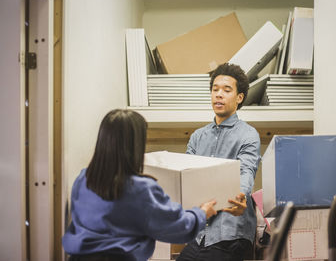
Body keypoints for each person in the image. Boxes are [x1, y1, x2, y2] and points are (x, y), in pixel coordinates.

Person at [62, 109, 217, 261]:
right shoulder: (140, 189)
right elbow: (177, 227)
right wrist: (201, 213)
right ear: (135, 144)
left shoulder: (83, 179)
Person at [177, 63, 261, 261]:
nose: (218, 94)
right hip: (198, 236)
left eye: (226, 90)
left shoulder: (248, 134)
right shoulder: (198, 137)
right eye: (215, 90)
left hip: (231, 235)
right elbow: (186, 177)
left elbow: (246, 172)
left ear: (239, 97)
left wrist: (239, 197)